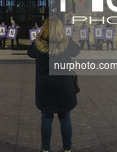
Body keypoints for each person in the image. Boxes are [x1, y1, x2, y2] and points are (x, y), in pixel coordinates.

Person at [27, 17, 80, 152]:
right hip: (64, 86)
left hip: (45, 87)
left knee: (46, 118)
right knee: (65, 117)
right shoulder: (66, 43)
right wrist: (65, 36)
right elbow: (77, 51)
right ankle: (67, 148)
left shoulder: (37, 44)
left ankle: (45, 149)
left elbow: (30, 54)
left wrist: (39, 37)